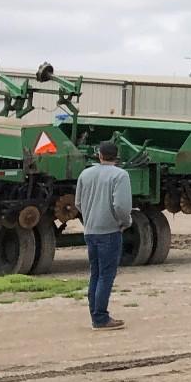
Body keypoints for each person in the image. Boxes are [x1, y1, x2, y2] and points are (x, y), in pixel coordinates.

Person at [75, 140, 132, 330]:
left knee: (96, 273)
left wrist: (90, 217)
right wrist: (125, 222)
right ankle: (100, 318)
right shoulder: (120, 175)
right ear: (116, 156)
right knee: (106, 275)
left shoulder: (85, 174)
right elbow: (122, 206)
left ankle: (95, 315)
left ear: (99, 155)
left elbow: (78, 203)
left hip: (90, 231)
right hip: (110, 231)